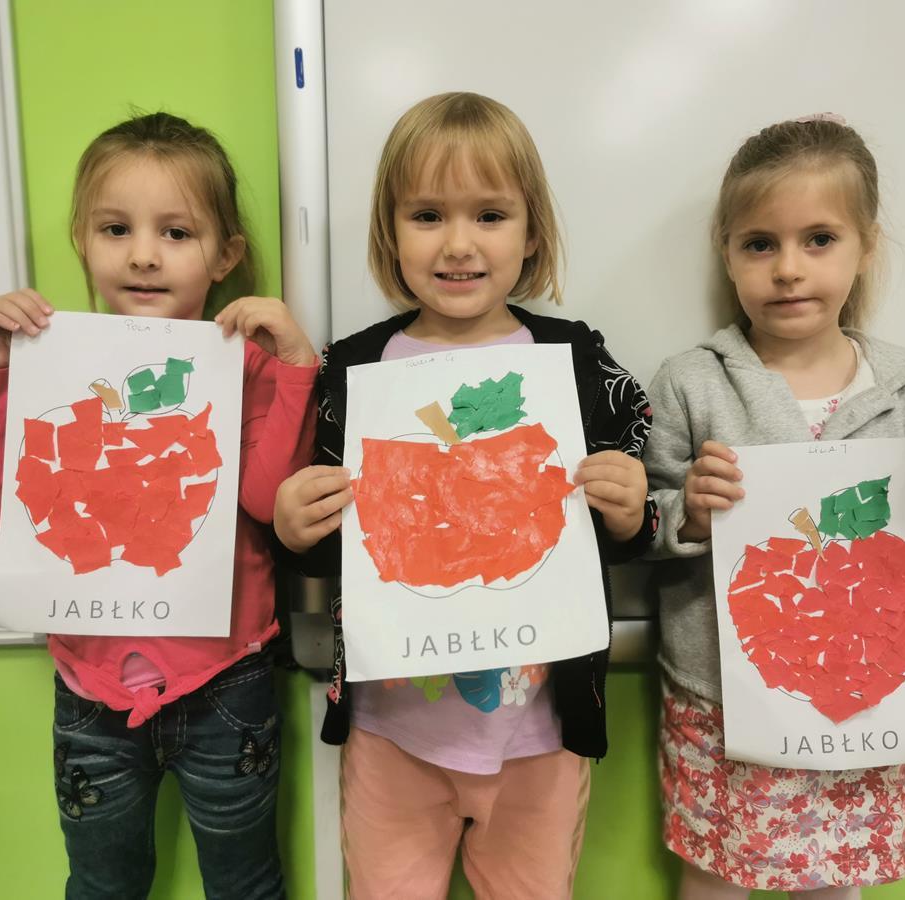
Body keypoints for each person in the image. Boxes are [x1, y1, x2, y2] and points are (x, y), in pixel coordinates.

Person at [273, 92, 659, 899]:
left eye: (489, 215)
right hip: (394, 734)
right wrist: (296, 529)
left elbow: (631, 513)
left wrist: (631, 513)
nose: (457, 243)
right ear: (390, 233)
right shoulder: (353, 369)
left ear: (531, 232)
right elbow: (333, 544)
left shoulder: (576, 362)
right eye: (426, 216)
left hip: (539, 737)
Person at [0, 112, 318, 899]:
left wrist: (294, 367)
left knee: (247, 884)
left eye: (176, 233)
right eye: (116, 229)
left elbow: (266, 501)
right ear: (82, 239)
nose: (144, 254)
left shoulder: (247, 365)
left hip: (226, 678)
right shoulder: (48, 364)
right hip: (90, 685)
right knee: (101, 884)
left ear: (225, 255)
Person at [644, 115, 905, 898]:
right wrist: (685, 515)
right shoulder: (691, 382)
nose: (788, 269)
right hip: (722, 702)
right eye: (759, 244)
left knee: (836, 884)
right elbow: (643, 522)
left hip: (863, 697)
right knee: (714, 879)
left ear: (866, 246)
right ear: (727, 252)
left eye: (819, 239)